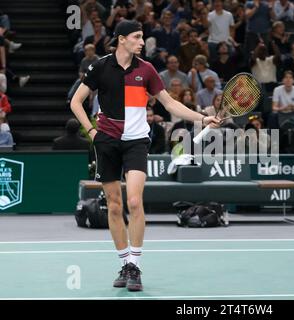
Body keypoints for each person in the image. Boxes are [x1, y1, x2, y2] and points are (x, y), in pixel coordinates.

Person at [70, 20, 219, 292]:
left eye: (142, 37)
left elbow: (170, 103)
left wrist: (202, 118)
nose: (142, 42)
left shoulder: (146, 70)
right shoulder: (100, 66)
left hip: (136, 142)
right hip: (107, 142)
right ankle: (124, 262)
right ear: (122, 39)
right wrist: (91, 131)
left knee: (135, 201)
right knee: (114, 205)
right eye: (137, 37)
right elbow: (75, 101)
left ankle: (135, 266)